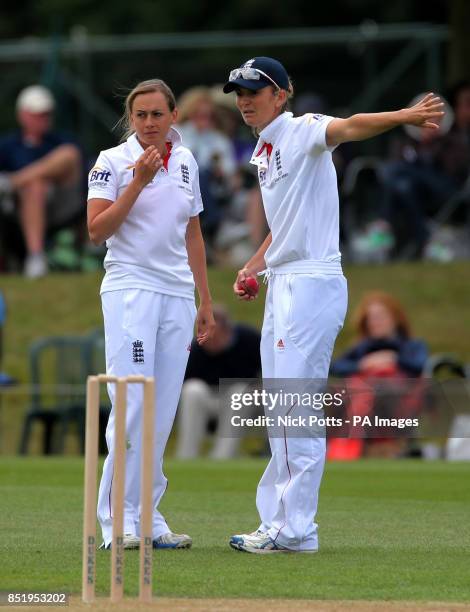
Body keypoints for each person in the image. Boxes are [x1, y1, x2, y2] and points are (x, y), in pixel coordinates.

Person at [224, 56, 444, 554]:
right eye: (238, 92)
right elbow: (285, 227)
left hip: (310, 283)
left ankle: (294, 527)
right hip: (284, 280)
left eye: (254, 91)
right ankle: (282, 523)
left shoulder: (301, 129)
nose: (244, 100)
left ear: (282, 94)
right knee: (281, 405)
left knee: (294, 405)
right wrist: (254, 266)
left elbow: (349, 127)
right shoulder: (264, 151)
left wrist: (403, 117)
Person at [87, 79, 215, 550]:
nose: (148, 124)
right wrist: (137, 182)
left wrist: (204, 300)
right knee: (132, 401)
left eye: (157, 114)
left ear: (173, 116)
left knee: (161, 410)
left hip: (177, 294)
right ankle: (115, 520)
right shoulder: (111, 161)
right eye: (140, 115)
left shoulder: (185, 161)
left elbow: (193, 234)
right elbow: (97, 230)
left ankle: (147, 516)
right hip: (131, 290)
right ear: (130, 119)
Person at [329, 291, 428, 459]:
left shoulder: (411, 346)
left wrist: (393, 359)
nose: (376, 323)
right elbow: (336, 367)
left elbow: (418, 365)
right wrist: (364, 364)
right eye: (372, 318)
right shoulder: (362, 348)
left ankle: (365, 441)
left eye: (380, 317)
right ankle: (348, 442)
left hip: (394, 405)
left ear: (395, 319)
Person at [0, 85, 82, 277]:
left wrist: (13, 181)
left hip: (62, 206)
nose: (43, 118)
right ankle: (35, 256)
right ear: (22, 115)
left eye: (46, 114)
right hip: (17, 211)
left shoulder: (61, 141)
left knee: (67, 155)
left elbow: (73, 162)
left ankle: (13, 182)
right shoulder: (8, 146)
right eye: (37, 114)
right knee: (35, 187)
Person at [176, 304, 261, 459]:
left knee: (240, 392)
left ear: (227, 330)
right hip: (207, 400)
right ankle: (186, 456)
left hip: (244, 403)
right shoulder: (194, 350)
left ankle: (222, 457)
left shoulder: (251, 340)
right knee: (192, 390)